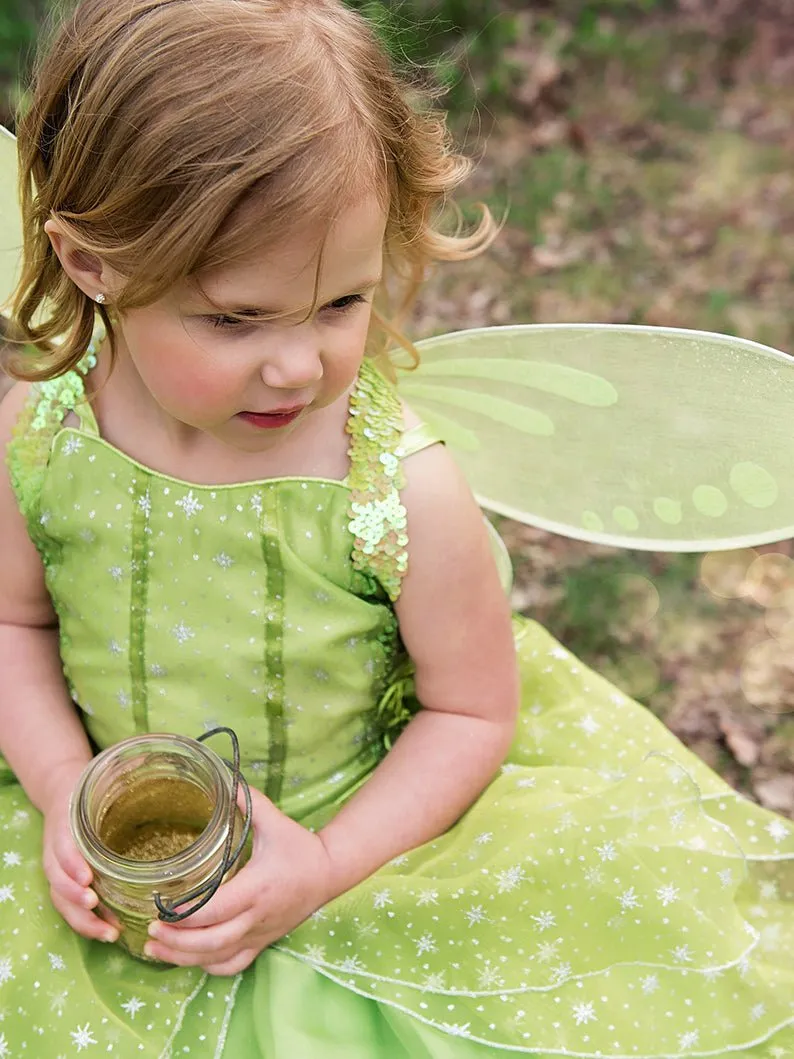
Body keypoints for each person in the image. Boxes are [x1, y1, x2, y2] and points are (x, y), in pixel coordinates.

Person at [0, 1, 791, 1055]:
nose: (298, 365)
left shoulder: (395, 487)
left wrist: (320, 867)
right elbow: (16, 628)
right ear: (91, 264)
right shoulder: (40, 434)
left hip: (366, 843)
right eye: (234, 318)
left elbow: (469, 715)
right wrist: (62, 792)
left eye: (340, 303)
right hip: (116, 833)